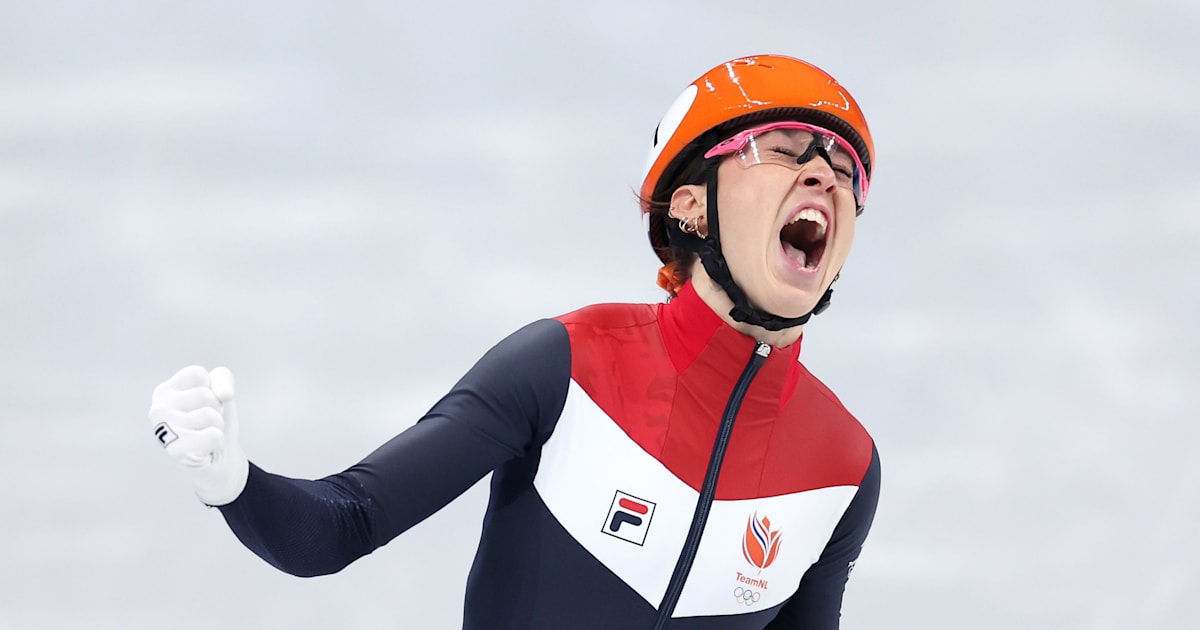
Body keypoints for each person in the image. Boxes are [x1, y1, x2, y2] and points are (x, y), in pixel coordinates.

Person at [149, 54, 881, 629]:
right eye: (783, 150)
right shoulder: (568, 367)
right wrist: (233, 483)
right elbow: (341, 527)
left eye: (844, 170)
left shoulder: (843, 466)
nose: (823, 174)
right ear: (691, 206)